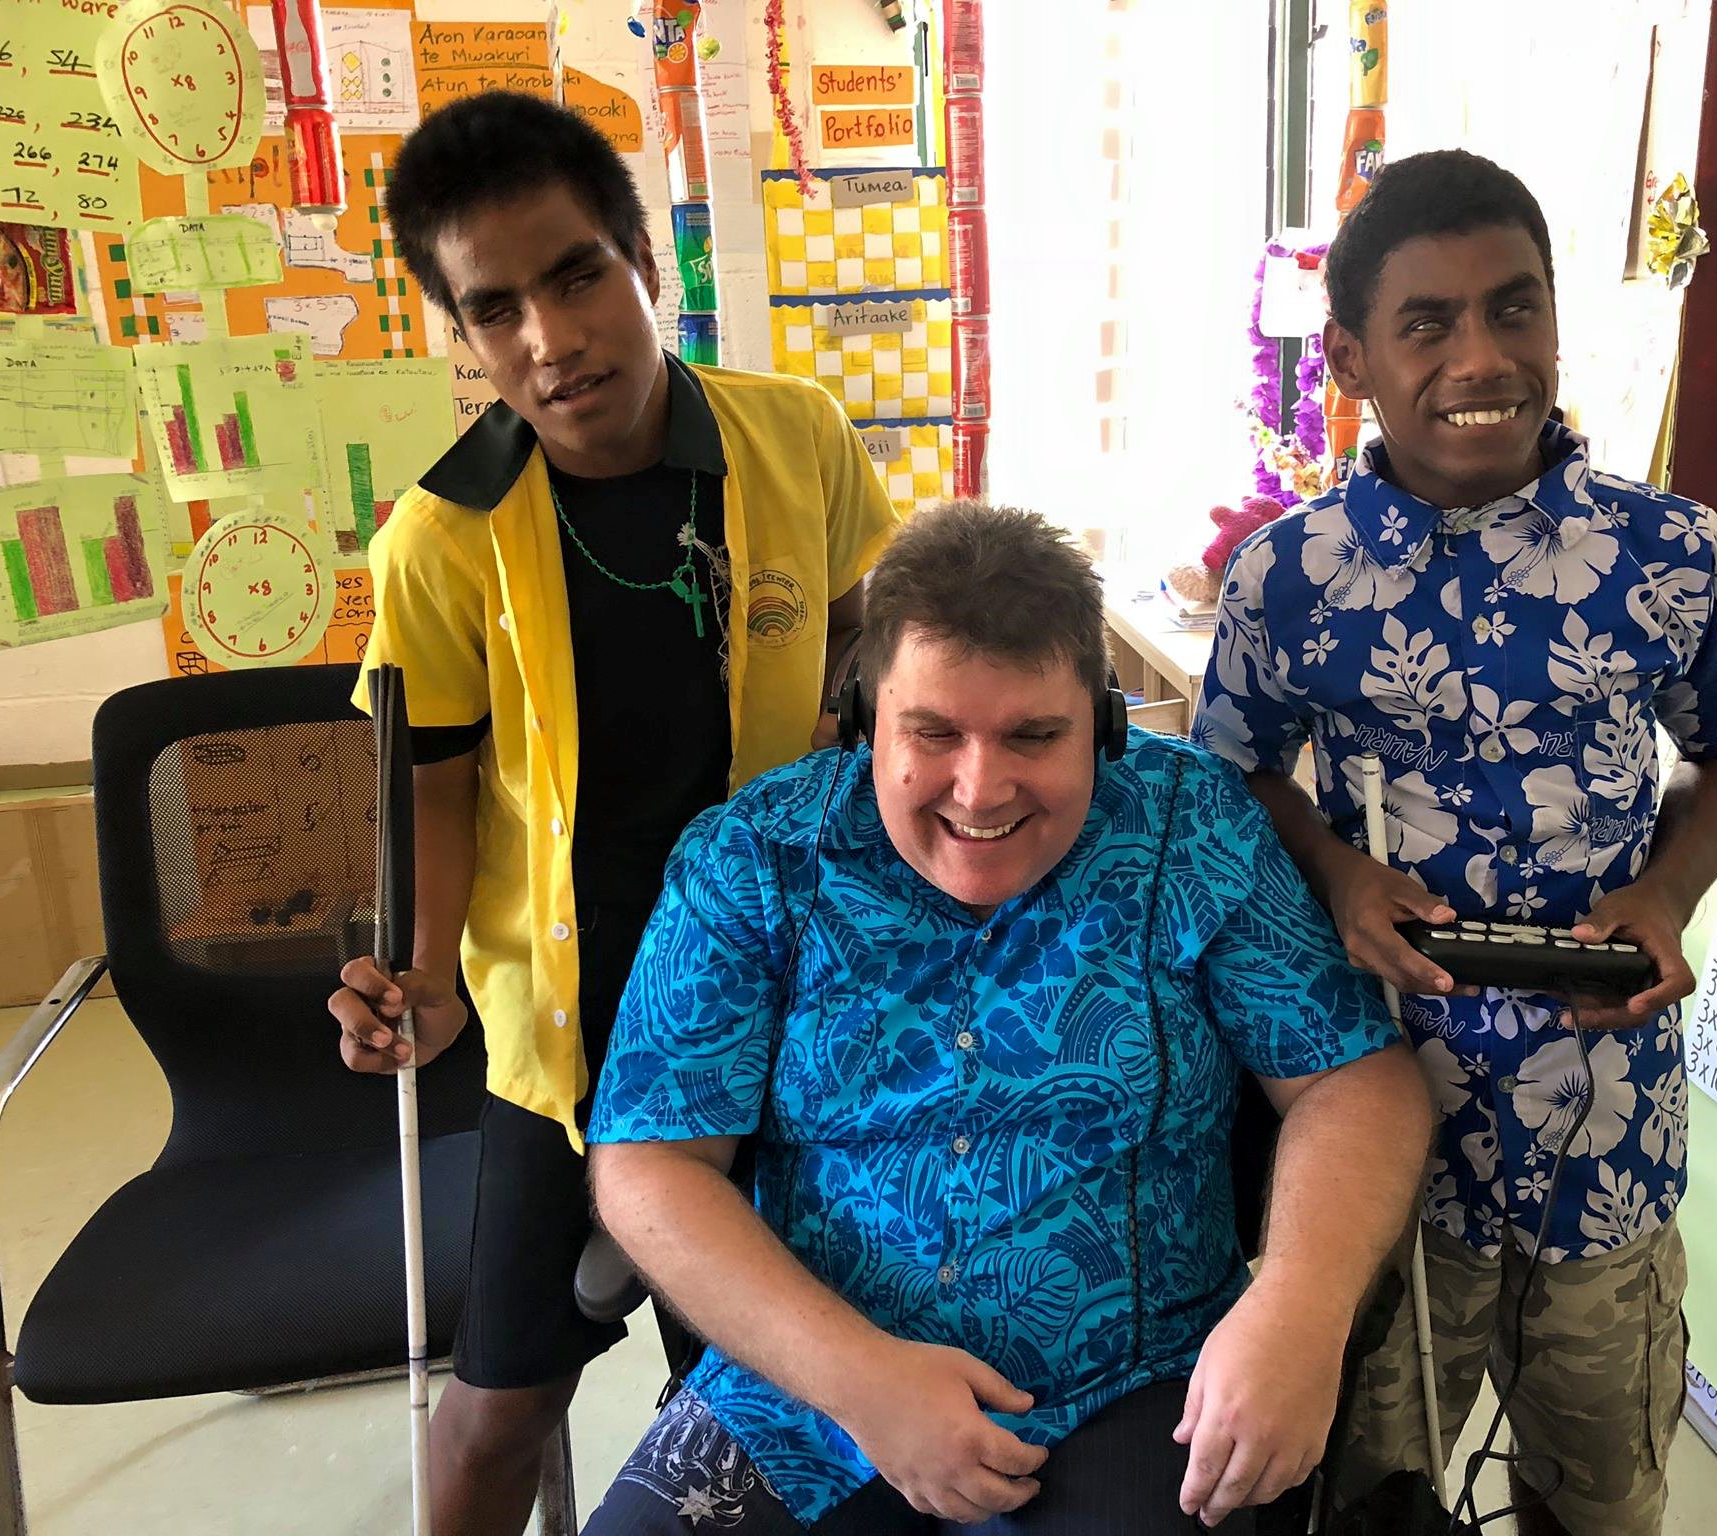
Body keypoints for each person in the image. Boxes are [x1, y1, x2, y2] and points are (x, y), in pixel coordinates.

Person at [581, 502, 1431, 1533]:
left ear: (1105, 722)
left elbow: (1350, 1077)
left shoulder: (1190, 827)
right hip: (804, 1389)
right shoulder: (753, 857)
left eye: (1033, 735)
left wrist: (1301, 1304)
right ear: (863, 718)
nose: (978, 790)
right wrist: (866, 1384)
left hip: (1130, 1382)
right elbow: (650, 1161)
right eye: (931, 734)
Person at [1193, 149, 1717, 1536]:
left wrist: (1663, 892)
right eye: (1429, 323)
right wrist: (1340, 874)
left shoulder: (1673, 553)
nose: (1483, 356)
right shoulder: (1288, 579)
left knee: (1600, 1493)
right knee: (1371, 1498)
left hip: (1610, 1126)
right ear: (1349, 355)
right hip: (1382, 1127)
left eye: (1514, 309)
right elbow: (1234, 781)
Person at [324, 91, 899, 1536]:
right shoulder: (441, 540)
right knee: (500, 1401)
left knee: (782, 1399)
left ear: (645, 259)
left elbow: (873, 672)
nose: (548, 339)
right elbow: (436, 788)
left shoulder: (798, 438)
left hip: (783, 1014)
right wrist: (434, 976)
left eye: (577, 274)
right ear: (460, 333)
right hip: (571, 1045)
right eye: (493, 307)